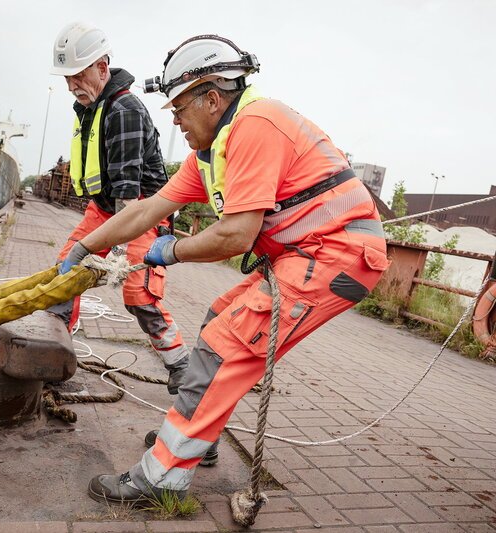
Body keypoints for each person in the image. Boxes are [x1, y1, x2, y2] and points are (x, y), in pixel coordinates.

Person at [59, 34, 389, 504]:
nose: (174, 120)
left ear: (213, 98)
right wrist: (85, 247)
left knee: (225, 346)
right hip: (306, 255)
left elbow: (235, 235)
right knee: (220, 316)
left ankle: (161, 478)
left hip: (335, 257)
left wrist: (169, 251)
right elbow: (147, 209)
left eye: (179, 109)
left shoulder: (256, 125)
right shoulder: (211, 151)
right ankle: (200, 439)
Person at [49, 22, 191, 395]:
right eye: (66, 78)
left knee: (139, 294)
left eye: (78, 75)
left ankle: (181, 366)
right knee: (64, 274)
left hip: (142, 209)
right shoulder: (90, 107)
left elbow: (130, 195)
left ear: (102, 67)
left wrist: (113, 251)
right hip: (105, 208)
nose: (71, 86)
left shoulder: (124, 109)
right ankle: (51, 354)